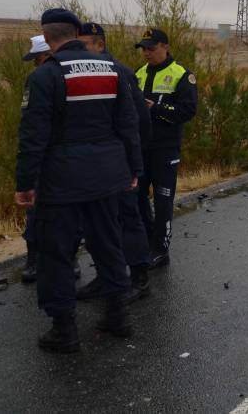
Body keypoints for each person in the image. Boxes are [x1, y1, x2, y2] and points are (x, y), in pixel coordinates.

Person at [15, 9, 143, 353]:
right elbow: (129, 126)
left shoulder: (45, 76)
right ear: (75, 32)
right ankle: (118, 315)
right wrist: (134, 169)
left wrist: (25, 183)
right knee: (108, 242)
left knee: (56, 253)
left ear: (48, 36)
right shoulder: (112, 70)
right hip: (108, 176)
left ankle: (64, 328)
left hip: (62, 182)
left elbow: (33, 136)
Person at [75, 23, 153, 303]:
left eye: (85, 45)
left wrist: (134, 159)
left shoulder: (119, 72)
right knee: (95, 224)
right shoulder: (79, 73)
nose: (80, 51)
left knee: (128, 218)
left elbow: (139, 121)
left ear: (100, 45)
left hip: (119, 162)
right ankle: (106, 275)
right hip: (93, 166)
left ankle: (140, 277)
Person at [134, 28, 198, 268]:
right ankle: (147, 241)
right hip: (140, 148)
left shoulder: (181, 74)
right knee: (137, 197)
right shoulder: (138, 73)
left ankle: (161, 249)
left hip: (166, 148)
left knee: (162, 201)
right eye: (144, 48)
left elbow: (188, 111)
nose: (147, 53)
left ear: (165, 47)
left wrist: (156, 109)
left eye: (151, 48)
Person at [20, 34, 54, 284]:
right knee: (34, 210)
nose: (35, 65)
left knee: (67, 212)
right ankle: (33, 259)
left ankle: (69, 258)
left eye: (38, 59)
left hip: (61, 157)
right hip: (43, 155)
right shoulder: (35, 80)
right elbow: (29, 124)